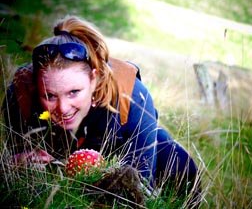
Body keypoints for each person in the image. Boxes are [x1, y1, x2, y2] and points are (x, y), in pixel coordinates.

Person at [2, 15, 201, 207]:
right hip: (62, 158)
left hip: (117, 156)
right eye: (50, 96)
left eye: (74, 92)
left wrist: (110, 185)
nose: (62, 108)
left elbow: (139, 187)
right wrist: (17, 167)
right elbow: (16, 166)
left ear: (93, 79)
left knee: (171, 152)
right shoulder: (20, 94)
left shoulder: (132, 96)